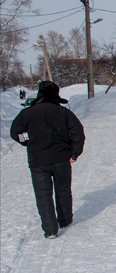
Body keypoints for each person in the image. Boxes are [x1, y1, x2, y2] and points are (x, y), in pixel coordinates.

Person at [10, 81, 85, 239]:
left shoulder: (28, 113)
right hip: (61, 159)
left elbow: (15, 132)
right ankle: (65, 220)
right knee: (63, 191)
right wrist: (74, 154)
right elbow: (78, 134)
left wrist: (28, 142)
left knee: (43, 195)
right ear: (56, 95)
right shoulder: (64, 113)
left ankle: (50, 230)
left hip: (38, 160)